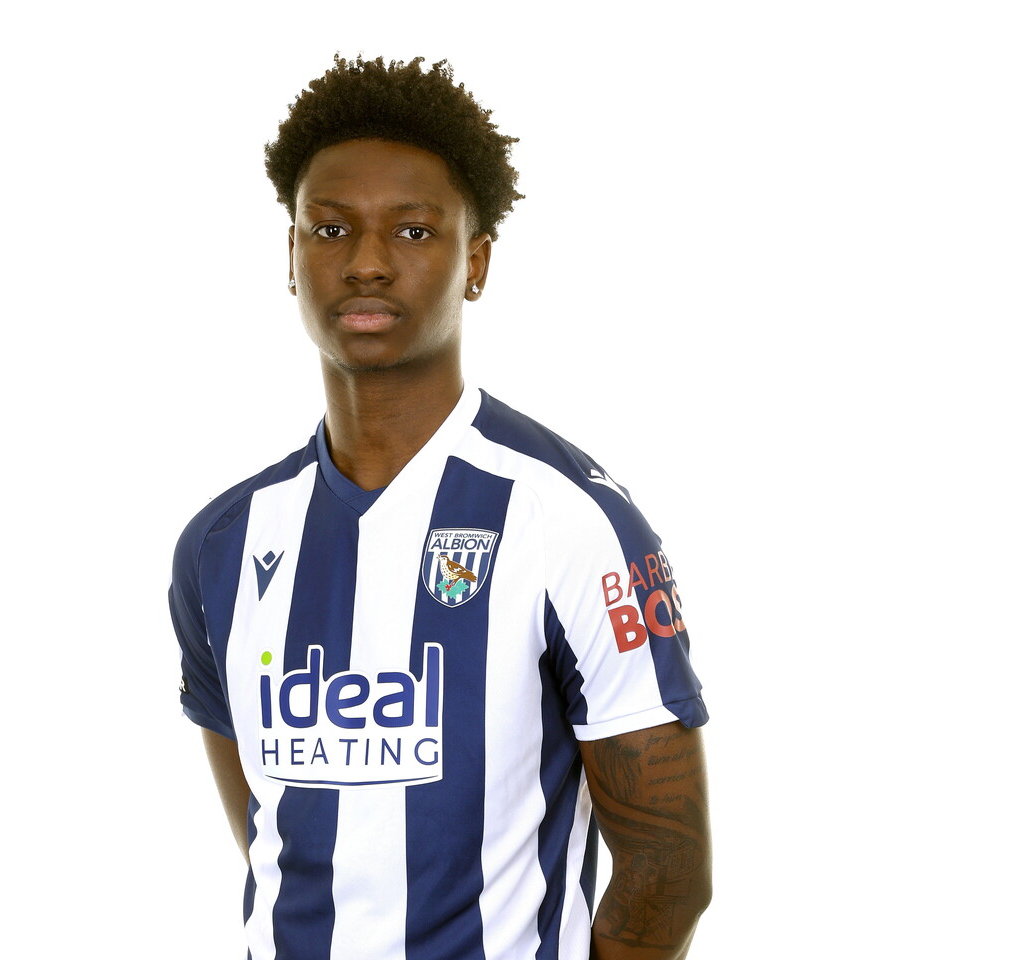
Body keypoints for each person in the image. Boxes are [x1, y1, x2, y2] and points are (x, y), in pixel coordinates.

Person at [170, 55, 711, 960]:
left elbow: (668, 874)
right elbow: (275, 835)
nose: (367, 263)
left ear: (476, 263)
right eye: (331, 228)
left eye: (414, 231)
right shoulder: (221, 544)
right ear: (292, 257)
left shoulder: (567, 521)